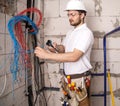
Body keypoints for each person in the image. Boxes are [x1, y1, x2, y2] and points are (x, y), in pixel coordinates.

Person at [34, 0, 94, 106]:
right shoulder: (71, 32)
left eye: (73, 14)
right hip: (68, 80)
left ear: (82, 15)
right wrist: (56, 48)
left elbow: (74, 56)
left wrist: (47, 55)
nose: (70, 17)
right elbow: (64, 49)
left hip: (79, 80)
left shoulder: (86, 33)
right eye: (68, 15)